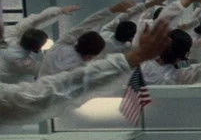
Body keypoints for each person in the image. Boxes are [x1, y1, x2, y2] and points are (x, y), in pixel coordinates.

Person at [0, 18, 172, 126]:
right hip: (53, 113)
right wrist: (132, 59)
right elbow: (45, 93)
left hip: (48, 110)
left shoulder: (59, 47)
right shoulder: (27, 60)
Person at [38, 0, 138, 77]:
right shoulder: (81, 71)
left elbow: (87, 24)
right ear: (89, 57)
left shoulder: (59, 45)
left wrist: (112, 10)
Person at [0, 4, 81, 83]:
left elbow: (35, 20)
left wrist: (60, 11)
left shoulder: (11, 35)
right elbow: (45, 70)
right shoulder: (21, 62)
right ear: (36, 49)